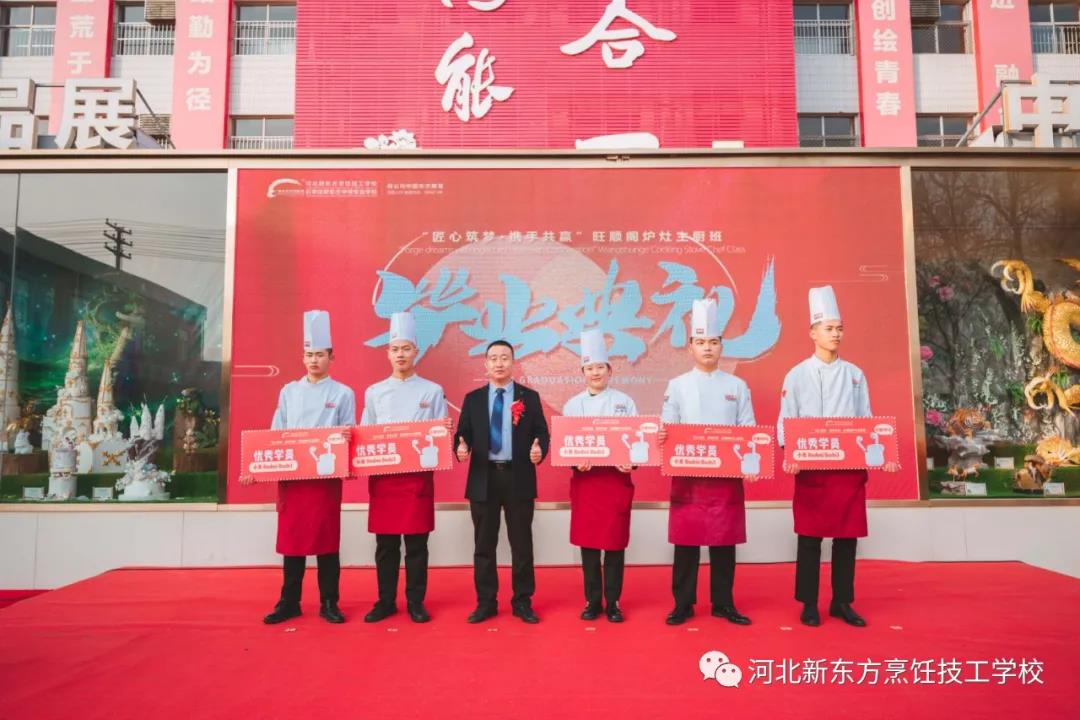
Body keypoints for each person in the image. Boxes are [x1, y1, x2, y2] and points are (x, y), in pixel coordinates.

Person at [778, 285, 898, 628]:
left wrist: (883, 453)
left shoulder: (855, 375)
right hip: (812, 470)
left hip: (847, 472)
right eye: (829, 328)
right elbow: (786, 420)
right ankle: (809, 603)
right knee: (810, 538)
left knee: (847, 539)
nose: (836, 334)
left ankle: (842, 602)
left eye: (840, 328)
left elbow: (867, 420)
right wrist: (790, 452)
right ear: (813, 333)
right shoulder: (796, 375)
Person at [659, 299, 758, 627]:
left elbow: (747, 430)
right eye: (700, 342)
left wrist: (751, 464)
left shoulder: (737, 386)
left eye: (713, 342)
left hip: (725, 479)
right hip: (688, 477)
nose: (707, 348)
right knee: (686, 542)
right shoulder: (677, 385)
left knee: (724, 541)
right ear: (690, 347)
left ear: (721, 346)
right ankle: (682, 603)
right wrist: (663, 434)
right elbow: (668, 425)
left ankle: (723, 603)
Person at [259, 310, 356, 625]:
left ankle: (329, 602)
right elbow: (276, 433)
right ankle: (289, 601)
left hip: (325, 479)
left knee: (327, 541)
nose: (314, 360)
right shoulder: (289, 391)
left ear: (331, 357)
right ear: (303, 357)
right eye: (309, 354)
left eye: (320, 355)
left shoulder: (343, 393)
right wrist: (258, 467)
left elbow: (351, 432)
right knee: (293, 541)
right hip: (294, 479)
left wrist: (346, 437)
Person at [360, 311, 449, 624]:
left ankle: (415, 602)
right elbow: (366, 434)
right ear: (387, 353)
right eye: (395, 349)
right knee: (385, 545)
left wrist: (444, 433)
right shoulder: (374, 392)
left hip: (416, 480)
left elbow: (440, 435)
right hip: (384, 480)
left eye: (406, 349)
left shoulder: (432, 390)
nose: (400, 354)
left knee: (416, 544)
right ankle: (385, 601)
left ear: (416, 352)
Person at [454, 340, 549, 624]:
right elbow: (463, 434)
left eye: (504, 358)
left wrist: (539, 449)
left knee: (522, 544)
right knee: (484, 545)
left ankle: (522, 602)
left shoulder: (529, 397)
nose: (499, 363)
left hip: (518, 476)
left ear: (513, 362)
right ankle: (486, 602)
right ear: (485, 364)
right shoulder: (473, 399)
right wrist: (460, 448)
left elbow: (542, 433)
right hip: (483, 478)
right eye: (493, 358)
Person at [561, 330, 637, 623]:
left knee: (615, 543)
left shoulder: (625, 402)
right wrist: (575, 461)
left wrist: (630, 462)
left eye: (600, 367)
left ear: (610, 370)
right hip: (587, 483)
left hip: (616, 482)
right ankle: (592, 601)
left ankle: (614, 602)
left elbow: (635, 441)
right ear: (582, 372)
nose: (595, 372)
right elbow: (566, 445)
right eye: (589, 368)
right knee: (589, 544)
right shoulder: (572, 405)